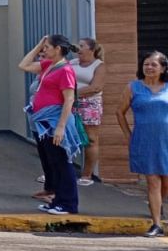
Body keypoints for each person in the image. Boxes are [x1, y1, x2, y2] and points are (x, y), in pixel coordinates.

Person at [19, 35, 82, 215]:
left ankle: (68, 203)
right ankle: (58, 200)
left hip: (55, 121)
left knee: (62, 162)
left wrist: (60, 127)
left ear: (58, 49)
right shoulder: (49, 65)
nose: (44, 50)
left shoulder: (65, 70)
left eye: (47, 47)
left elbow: (69, 99)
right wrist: (39, 44)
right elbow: (23, 65)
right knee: (54, 162)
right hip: (45, 121)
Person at [115, 51, 168, 237]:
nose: (149, 67)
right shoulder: (133, 87)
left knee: (165, 182)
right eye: (146, 64)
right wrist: (128, 135)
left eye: (154, 64)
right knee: (153, 182)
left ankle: (158, 206)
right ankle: (156, 224)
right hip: (144, 140)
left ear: (163, 68)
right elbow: (119, 112)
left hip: (166, 140)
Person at [72, 38, 106, 185]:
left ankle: (87, 174)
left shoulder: (99, 65)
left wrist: (71, 94)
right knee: (64, 135)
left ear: (91, 50)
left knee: (90, 138)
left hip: (90, 104)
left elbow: (96, 87)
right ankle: (59, 170)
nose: (78, 48)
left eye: (82, 46)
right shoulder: (72, 63)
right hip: (69, 103)